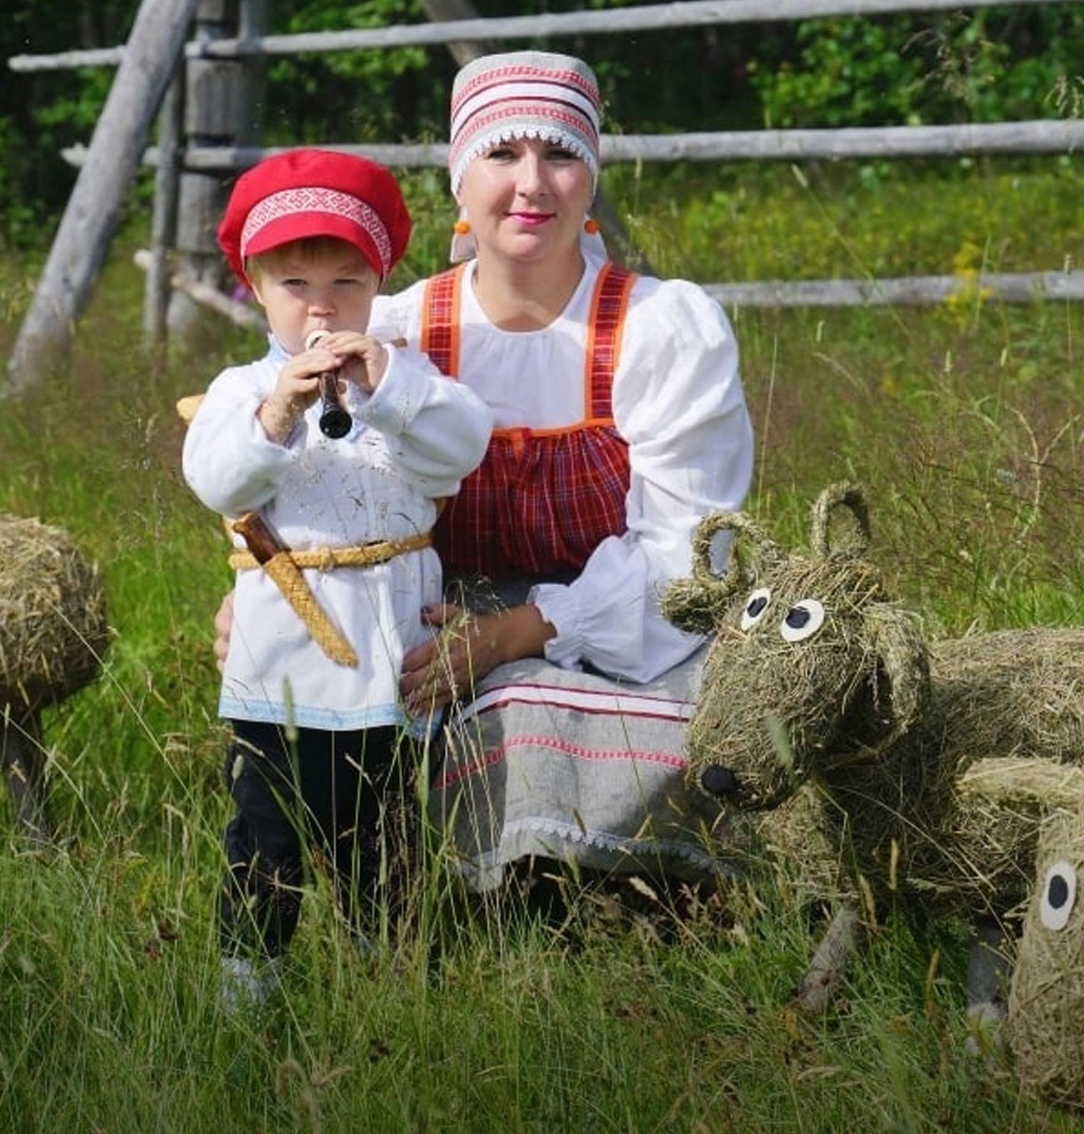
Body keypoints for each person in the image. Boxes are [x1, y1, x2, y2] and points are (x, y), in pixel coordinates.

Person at [215, 50, 755, 894]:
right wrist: (272, 591)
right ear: (461, 183)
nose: (532, 183)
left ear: (592, 178)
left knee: (709, 720)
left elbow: (693, 560)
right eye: (502, 154)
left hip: (626, 627)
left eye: (562, 154)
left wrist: (510, 634)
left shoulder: (662, 326)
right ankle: (473, 900)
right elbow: (290, 472)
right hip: (424, 616)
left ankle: (646, 894)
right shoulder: (391, 330)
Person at [184, 149, 491, 1004]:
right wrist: (279, 409)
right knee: (265, 834)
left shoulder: (407, 376)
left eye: (346, 282)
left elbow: (460, 445)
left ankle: (391, 990)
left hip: (391, 662)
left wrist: (383, 389)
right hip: (281, 668)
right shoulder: (242, 388)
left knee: (384, 836)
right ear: (254, 288)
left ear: (377, 284)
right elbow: (217, 479)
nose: (322, 305)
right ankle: (249, 992)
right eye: (295, 284)